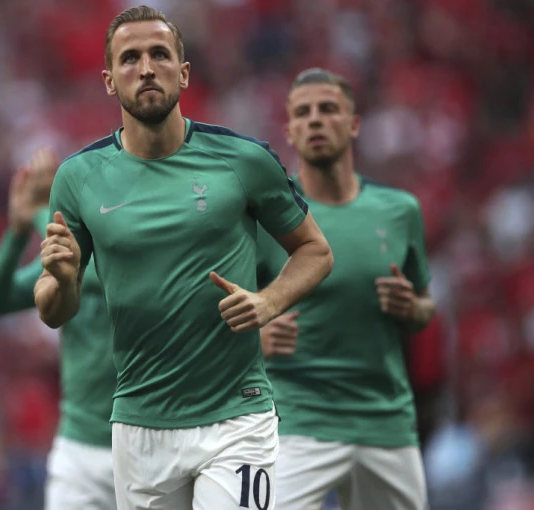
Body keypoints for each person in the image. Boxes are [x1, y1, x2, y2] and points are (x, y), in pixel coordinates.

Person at [34, 6, 334, 510]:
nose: (147, 68)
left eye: (159, 54)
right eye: (130, 58)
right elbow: (54, 310)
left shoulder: (242, 160)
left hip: (237, 416)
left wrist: (268, 301)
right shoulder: (78, 178)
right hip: (140, 424)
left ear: (184, 71)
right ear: (109, 80)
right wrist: (63, 281)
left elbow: (315, 249)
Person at [257, 68, 436, 510]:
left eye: (328, 109)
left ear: (354, 124)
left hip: (386, 422)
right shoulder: (266, 218)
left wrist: (412, 309)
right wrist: (253, 337)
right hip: (295, 421)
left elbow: (426, 305)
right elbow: (218, 307)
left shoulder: (399, 211)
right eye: (303, 113)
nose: (316, 120)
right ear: (289, 131)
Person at [0, 147, 117, 510]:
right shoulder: (62, 270)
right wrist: (17, 232)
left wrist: (41, 211)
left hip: (141, 440)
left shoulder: (131, 258)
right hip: (79, 444)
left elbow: (92, 272)